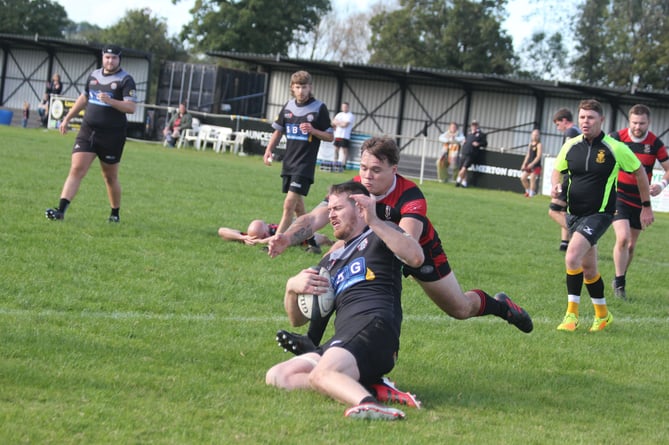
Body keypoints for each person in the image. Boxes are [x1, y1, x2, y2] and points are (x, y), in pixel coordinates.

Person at [269, 137, 532, 345]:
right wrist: (287, 238)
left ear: (393, 170)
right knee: (332, 263)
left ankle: (502, 306)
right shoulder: (354, 187)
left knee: (460, 309)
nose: (367, 176)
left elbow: (408, 244)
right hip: (374, 248)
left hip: (417, 251)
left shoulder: (411, 196)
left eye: (376, 170)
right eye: (363, 168)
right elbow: (316, 217)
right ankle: (311, 342)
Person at [266, 181, 424, 420]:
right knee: (279, 376)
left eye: (337, 208)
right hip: (343, 339)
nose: (331, 215)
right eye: (329, 210)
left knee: (321, 374)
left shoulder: (381, 233)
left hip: (375, 328)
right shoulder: (331, 260)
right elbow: (297, 320)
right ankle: (374, 389)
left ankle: (371, 405)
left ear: (359, 207)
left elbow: (415, 257)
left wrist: (375, 221)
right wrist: (291, 288)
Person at [551, 99, 654, 333]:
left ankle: (571, 315)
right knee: (589, 270)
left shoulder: (614, 147)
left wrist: (646, 205)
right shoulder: (571, 145)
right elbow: (558, 170)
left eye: (590, 118)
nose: (585, 122)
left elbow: (639, 171)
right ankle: (603, 315)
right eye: (582, 117)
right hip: (574, 213)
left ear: (601, 120)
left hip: (600, 214)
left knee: (571, 257)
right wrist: (556, 185)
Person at [45, 45, 137, 223]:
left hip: (112, 136)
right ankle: (61, 211)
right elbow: (84, 98)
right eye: (107, 57)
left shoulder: (126, 80)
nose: (110, 61)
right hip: (88, 131)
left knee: (109, 177)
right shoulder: (94, 76)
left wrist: (111, 101)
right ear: (103, 58)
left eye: (113, 58)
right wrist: (67, 118)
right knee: (76, 168)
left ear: (119, 59)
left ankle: (114, 214)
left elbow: (131, 107)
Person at [262, 70, 333, 250]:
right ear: (292, 89)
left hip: (304, 165)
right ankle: (312, 243)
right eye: (298, 87)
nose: (301, 91)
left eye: (304, 87)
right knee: (299, 209)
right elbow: (278, 131)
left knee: (288, 205)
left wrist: (313, 131)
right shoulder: (288, 107)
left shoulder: (319, 108)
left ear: (311, 88)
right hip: (289, 163)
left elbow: (330, 137)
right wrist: (269, 150)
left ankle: (277, 242)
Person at [610, 104, 669, 300]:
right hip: (618, 196)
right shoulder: (617, 138)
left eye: (641, 123)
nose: (637, 127)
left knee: (631, 246)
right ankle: (620, 284)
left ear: (648, 122)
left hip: (641, 199)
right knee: (623, 237)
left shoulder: (655, 143)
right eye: (634, 122)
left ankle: (620, 276)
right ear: (629, 121)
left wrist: (661, 185)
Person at [551, 108, 582, 251]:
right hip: (575, 177)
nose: (558, 128)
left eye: (558, 124)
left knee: (554, 210)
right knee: (565, 212)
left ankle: (581, 235)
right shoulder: (577, 131)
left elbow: (569, 153)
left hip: (570, 178)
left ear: (565, 120)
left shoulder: (571, 132)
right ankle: (565, 243)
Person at [218, 219, 333, 248]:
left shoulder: (274, 230)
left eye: (263, 236)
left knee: (322, 238)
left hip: (297, 237)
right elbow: (222, 231)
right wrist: (241, 237)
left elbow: (278, 238)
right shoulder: (252, 236)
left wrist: (261, 241)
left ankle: (333, 244)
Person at [455, 120, 487, 188]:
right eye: (473, 125)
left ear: (477, 126)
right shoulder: (469, 134)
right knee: (462, 168)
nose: (474, 127)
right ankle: (464, 183)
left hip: (471, 154)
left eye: (475, 125)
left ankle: (458, 180)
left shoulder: (481, 134)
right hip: (464, 152)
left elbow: (485, 143)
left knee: (464, 168)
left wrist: (478, 144)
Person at [331, 102, 355, 171]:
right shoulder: (339, 114)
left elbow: (345, 125)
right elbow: (333, 122)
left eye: (345, 107)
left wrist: (338, 123)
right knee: (336, 149)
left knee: (344, 150)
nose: (344, 108)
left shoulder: (350, 115)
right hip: (337, 135)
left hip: (345, 135)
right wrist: (340, 123)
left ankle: (344, 164)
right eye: (343, 107)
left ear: (348, 107)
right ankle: (335, 163)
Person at [519, 129, 542, 197]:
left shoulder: (539, 145)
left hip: (536, 165)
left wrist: (532, 164)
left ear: (538, 136)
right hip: (529, 164)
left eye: (536, 135)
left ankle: (531, 194)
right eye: (533, 135)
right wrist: (524, 164)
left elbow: (538, 156)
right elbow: (528, 155)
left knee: (532, 178)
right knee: (523, 178)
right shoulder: (530, 144)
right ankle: (527, 190)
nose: (535, 136)